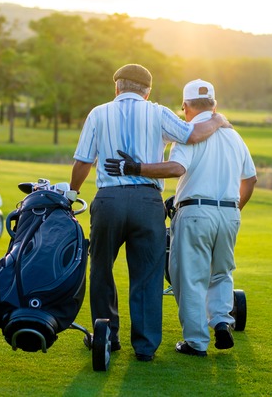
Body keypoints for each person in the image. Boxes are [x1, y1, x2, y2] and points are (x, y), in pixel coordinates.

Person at [70, 64, 229, 362]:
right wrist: (218, 120)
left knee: (102, 268)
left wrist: (71, 195)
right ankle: (144, 347)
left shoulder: (98, 113)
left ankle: (107, 336)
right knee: (147, 274)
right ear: (147, 91)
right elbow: (193, 135)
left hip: (109, 201)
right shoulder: (157, 112)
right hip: (147, 202)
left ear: (116, 88)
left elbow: (82, 161)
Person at [104, 79, 257, 357]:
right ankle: (222, 320)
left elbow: (176, 168)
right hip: (230, 213)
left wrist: (135, 168)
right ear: (214, 105)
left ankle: (196, 343)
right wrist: (236, 210)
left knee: (189, 279)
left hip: (195, 213)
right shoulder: (235, 136)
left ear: (185, 107)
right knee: (222, 272)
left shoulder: (189, 134)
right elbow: (251, 179)